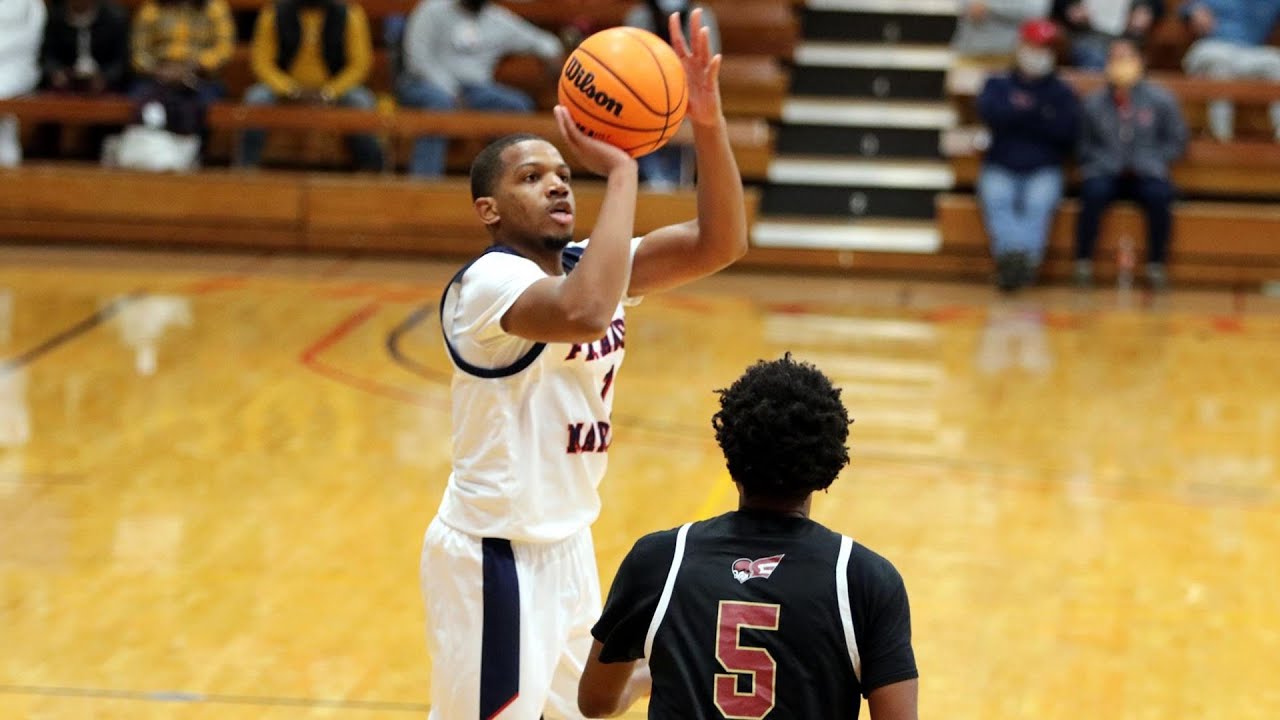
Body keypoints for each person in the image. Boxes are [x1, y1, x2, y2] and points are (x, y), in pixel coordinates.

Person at [422, 10, 747, 719]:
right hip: (494, 555)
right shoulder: (487, 286)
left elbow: (721, 241)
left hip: (567, 539)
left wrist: (708, 122)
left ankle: (672, 657)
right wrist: (623, 169)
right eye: (532, 177)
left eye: (565, 173)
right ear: (488, 208)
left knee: (590, 706)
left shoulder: (588, 265)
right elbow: (585, 311)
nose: (559, 185)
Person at [578, 355, 919, 720]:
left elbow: (595, 702)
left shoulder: (660, 560)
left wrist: (647, 677)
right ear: (830, 463)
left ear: (731, 451)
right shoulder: (865, 579)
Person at [398, 0, 563, 178]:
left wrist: (552, 55)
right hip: (425, 84)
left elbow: (543, 41)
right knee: (439, 104)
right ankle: (424, 183)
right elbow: (417, 60)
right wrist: (451, 91)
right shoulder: (431, 9)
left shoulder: (497, 18)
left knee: (516, 105)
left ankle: (507, 180)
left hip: (475, 90)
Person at [1075, 36, 1188, 289]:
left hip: (1147, 171)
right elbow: (1082, 144)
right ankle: (1083, 262)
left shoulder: (1161, 100)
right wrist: (1100, 162)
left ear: (1141, 61)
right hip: (1105, 170)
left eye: (1127, 57)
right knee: (1093, 193)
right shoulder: (1093, 102)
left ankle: (1156, 264)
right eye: (1115, 58)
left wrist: (1153, 159)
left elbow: (1177, 141)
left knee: (1160, 196)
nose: (1121, 63)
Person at [976, 19, 1080, 292]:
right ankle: (1015, 261)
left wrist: (1021, 113)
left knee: (1038, 204)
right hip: (1001, 163)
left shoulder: (1062, 91)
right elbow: (993, 116)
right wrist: (1038, 114)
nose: (1039, 53)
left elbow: (1066, 132)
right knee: (997, 199)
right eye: (1034, 46)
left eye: (1045, 47)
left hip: (1044, 167)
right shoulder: (997, 83)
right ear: (1021, 47)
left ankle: (1020, 264)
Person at [238, 0, 383, 170]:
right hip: (286, 89)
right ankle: (245, 169)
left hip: (334, 89)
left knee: (361, 101)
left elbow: (360, 64)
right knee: (256, 98)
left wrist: (330, 92)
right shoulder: (273, 13)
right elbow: (261, 62)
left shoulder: (350, 14)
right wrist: (289, 89)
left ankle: (371, 170)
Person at [624, 0, 720, 190]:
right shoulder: (638, 16)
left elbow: (710, 67)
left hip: (686, 102)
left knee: (689, 126)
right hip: (643, 101)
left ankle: (678, 187)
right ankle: (649, 184)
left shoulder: (702, 16)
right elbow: (628, 65)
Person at [129, 0, 234, 137]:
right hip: (158, 76)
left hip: (201, 77)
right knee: (139, 99)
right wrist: (158, 70)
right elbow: (138, 52)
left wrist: (194, 65)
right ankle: (151, 152)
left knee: (204, 104)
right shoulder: (152, 8)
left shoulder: (215, 8)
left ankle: (196, 149)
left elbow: (224, 50)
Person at [1181, 0, 1280, 142]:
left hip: (1250, 53)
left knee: (1277, 64)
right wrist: (1194, 11)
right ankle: (1221, 138)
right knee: (1219, 67)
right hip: (1215, 47)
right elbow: (1187, 8)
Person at [0, 0, 47, 167]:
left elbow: (30, 40)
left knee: (2, 92)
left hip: (18, 64)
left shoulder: (31, 5)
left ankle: (8, 160)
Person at [1052, 0, 1164, 70]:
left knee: (1129, 55)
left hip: (1130, 35)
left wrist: (1145, 9)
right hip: (1087, 33)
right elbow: (1060, 6)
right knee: (1089, 53)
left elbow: (1157, 7)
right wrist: (1070, 7)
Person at [952, 0, 1052, 58]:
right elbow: (967, 6)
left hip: (1011, 55)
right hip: (970, 52)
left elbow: (1036, 12)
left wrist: (989, 7)